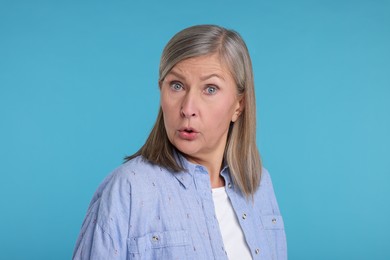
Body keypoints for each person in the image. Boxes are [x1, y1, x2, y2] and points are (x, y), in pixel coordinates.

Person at [73, 24, 287, 260]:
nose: (187, 109)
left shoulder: (259, 185)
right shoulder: (128, 189)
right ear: (160, 89)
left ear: (239, 105)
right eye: (176, 86)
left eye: (210, 89)